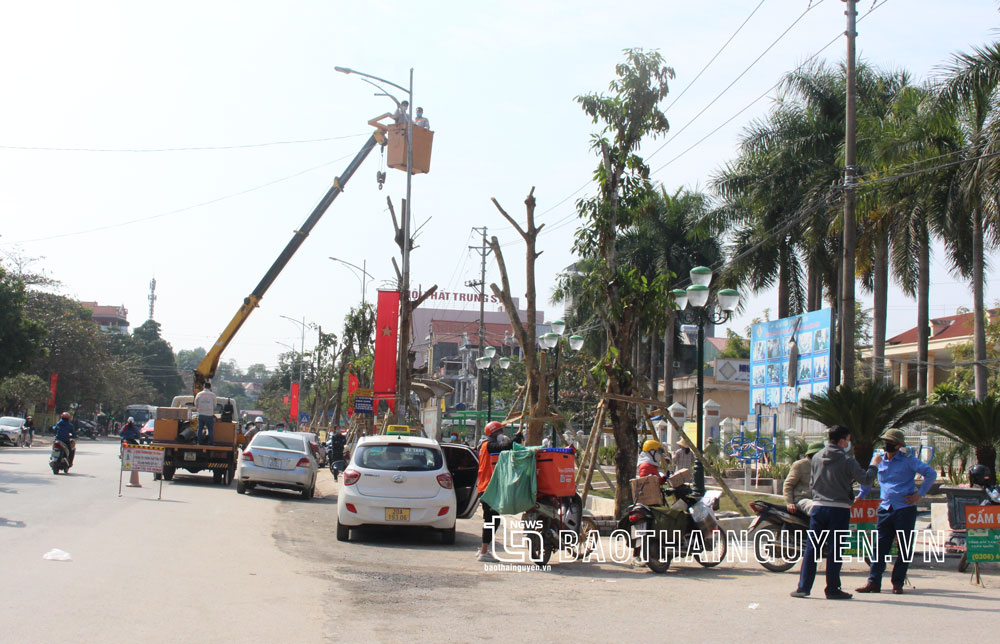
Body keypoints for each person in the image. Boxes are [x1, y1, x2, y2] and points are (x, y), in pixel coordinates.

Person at [791, 425, 877, 600]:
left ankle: (803, 587)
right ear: (841, 441)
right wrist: (874, 465)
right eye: (848, 440)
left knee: (812, 549)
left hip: (819, 507)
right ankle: (832, 588)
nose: (849, 443)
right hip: (839, 509)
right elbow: (866, 480)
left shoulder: (815, 457)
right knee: (835, 550)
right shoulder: (847, 460)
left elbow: (812, 484)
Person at [856, 428, 938, 595]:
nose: (887, 445)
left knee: (905, 547)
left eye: (891, 443)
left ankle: (897, 583)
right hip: (885, 508)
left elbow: (931, 473)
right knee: (879, 547)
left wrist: (919, 495)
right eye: (886, 442)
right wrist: (861, 495)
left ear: (899, 445)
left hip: (904, 509)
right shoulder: (878, 459)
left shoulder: (908, 460)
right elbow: (868, 478)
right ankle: (873, 582)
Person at [476, 421, 513, 562]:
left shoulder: (484, 445)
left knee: (492, 520)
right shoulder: (488, 445)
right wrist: (514, 439)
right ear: (493, 433)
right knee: (491, 521)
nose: (501, 434)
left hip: (487, 488)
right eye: (500, 432)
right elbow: (504, 447)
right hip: (488, 489)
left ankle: (483, 549)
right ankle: (484, 552)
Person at [783, 442, 824, 515]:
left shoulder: (826, 466)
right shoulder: (800, 465)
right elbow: (788, 485)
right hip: (803, 499)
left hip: (821, 500)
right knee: (816, 508)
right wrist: (789, 503)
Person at [120, 417, 142, 487]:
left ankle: (121, 454)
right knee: (137, 446)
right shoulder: (134, 427)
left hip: (125, 439)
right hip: (131, 440)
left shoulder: (125, 426)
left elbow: (120, 433)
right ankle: (136, 456)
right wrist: (137, 436)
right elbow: (138, 434)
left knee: (122, 445)